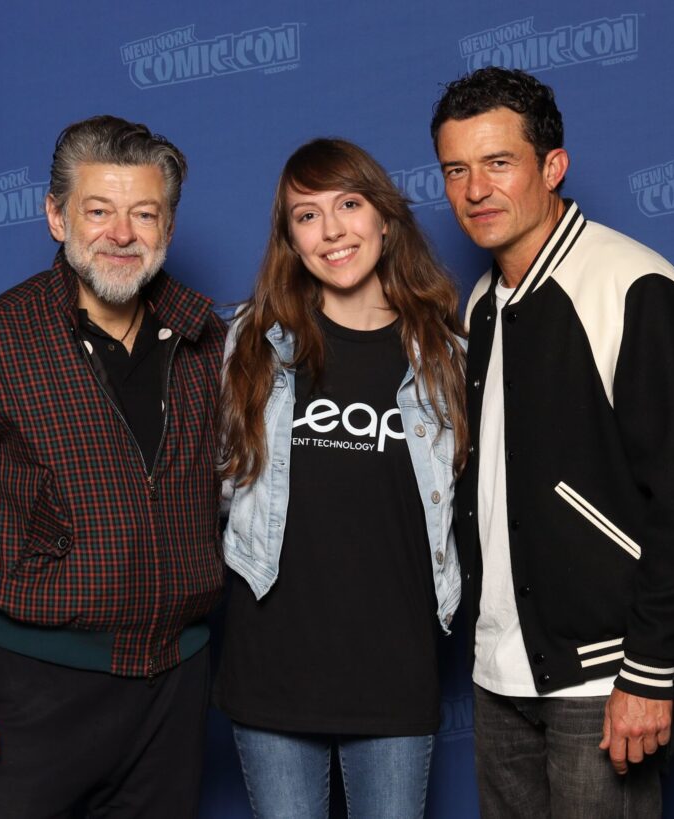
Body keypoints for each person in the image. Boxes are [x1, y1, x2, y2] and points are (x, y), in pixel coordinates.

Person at [0, 115, 225, 818]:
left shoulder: (208, 342)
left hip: (175, 690)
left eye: (144, 214)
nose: (122, 234)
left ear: (168, 226)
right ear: (55, 215)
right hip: (30, 691)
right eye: (98, 211)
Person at [431, 68, 674, 818]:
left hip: (608, 674)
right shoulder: (482, 301)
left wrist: (650, 670)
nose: (475, 190)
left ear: (552, 167)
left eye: (498, 163)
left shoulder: (634, 284)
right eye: (456, 170)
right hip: (502, 669)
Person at [214, 138, 466, 819]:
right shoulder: (253, 343)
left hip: (395, 669)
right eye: (307, 215)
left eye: (349, 205)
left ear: (384, 217)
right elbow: (213, 490)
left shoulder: (447, 356)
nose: (331, 231)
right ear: (290, 239)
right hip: (272, 665)